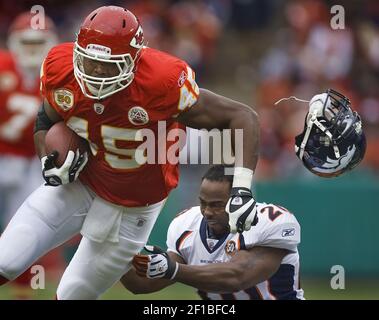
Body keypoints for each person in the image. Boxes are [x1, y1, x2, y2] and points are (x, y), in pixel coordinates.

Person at [0, 6, 260, 300]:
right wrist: (48, 162)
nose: (97, 72)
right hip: (81, 185)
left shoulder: (162, 81)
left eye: (109, 64)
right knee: (5, 260)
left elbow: (242, 117)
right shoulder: (62, 67)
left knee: (72, 295)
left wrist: (242, 188)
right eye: (90, 61)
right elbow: (47, 118)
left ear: (135, 59)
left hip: (133, 207)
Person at [122, 164, 304, 300]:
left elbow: (237, 276)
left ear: (240, 200)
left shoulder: (272, 221)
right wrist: (116, 251)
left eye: (217, 205)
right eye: (203, 203)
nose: (207, 212)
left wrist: (172, 269)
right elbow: (141, 284)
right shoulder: (186, 224)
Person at [0, 12, 57, 226]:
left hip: (33, 161)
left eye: (38, 42)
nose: (32, 48)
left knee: (24, 226)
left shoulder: (60, 75)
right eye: (26, 42)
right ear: (13, 42)